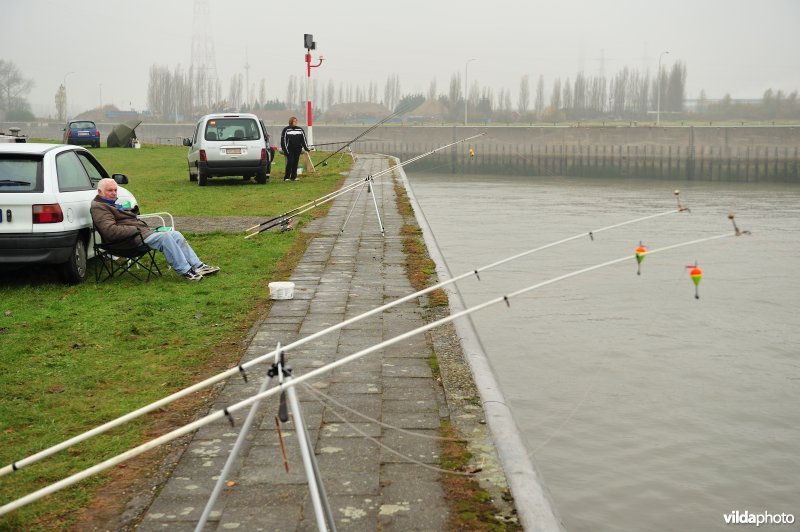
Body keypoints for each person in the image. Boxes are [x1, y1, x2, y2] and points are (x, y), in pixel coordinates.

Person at [91, 178, 220, 282]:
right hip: (127, 241)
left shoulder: (109, 203)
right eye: (110, 190)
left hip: (140, 234)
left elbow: (121, 219)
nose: (114, 193)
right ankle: (186, 271)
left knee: (175, 234)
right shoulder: (100, 207)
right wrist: (134, 229)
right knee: (164, 237)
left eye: (115, 190)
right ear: (100, 192)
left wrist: (131, 212)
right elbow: (110, 231)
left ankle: (198, 266)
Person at [280, 116, 309, 181]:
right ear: (291, 122)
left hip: (297, 149)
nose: (295, 122)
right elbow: (283, 140)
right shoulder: (286, 129)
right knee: (290, 162)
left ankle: (293, 177)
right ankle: (286, 177)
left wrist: (306, 148)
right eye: (294, 121)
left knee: (295, 162)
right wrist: (285, 149)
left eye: (296, 121)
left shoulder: (300, 129)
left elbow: (303, 140)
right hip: (289, 149)